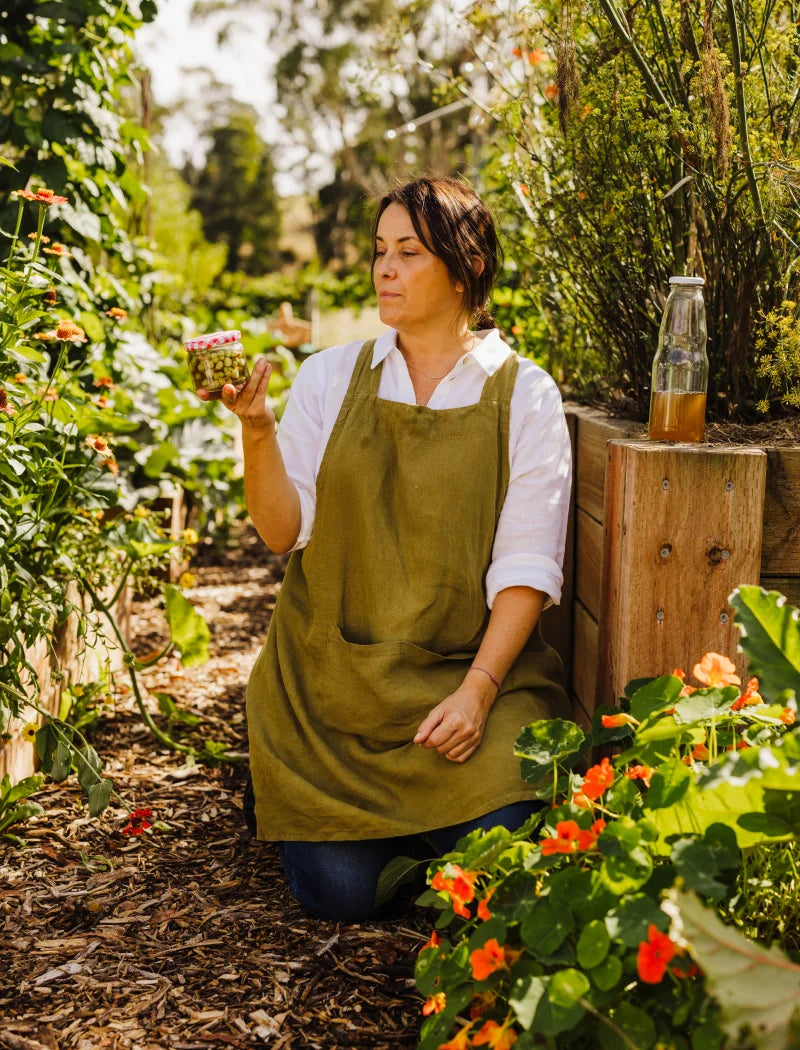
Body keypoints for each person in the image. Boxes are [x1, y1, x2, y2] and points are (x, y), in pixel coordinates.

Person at [200, 175, 573, 922]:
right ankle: (348, 817)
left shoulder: (524, 394)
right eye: (379, 251)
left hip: (466, 682)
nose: (385, 269)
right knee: (343, 892)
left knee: (507, 836)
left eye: (409, 251)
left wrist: (478, 691)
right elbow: (280, 532)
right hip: (335, 692)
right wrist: (258, 430)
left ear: (465, 267)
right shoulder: (331, 376)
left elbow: (526, 568)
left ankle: (422, 828)